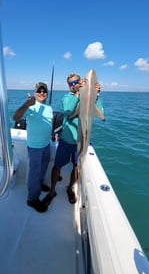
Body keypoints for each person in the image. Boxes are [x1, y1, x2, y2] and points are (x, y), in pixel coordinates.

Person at [43, 73, 103, 206]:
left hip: (80, 142)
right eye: (71, 84)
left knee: (77, 167)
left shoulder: (87, 99)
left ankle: (70, 188)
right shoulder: (67, 97)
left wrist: (95, 95)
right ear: (68, 86)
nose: (74, 85)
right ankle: (52, 191)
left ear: (81, 81)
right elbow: (69, 110)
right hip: (65, 140)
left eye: (76, 82)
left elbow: (101, 113)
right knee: (57, 166)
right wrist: (77, 95)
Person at [13, 82, 53, 213]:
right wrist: (26, 104)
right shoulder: (31, 106)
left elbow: (48, 123)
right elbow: (16, 117)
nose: (42, 93)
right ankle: (32, 199)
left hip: (46, 143)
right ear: (35, 93)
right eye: (39, 91)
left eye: (44, 91)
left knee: (44, 165)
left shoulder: (49, 108)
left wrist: (51, 134)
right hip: (35, 146)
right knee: (34, 172)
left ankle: (39, 184)